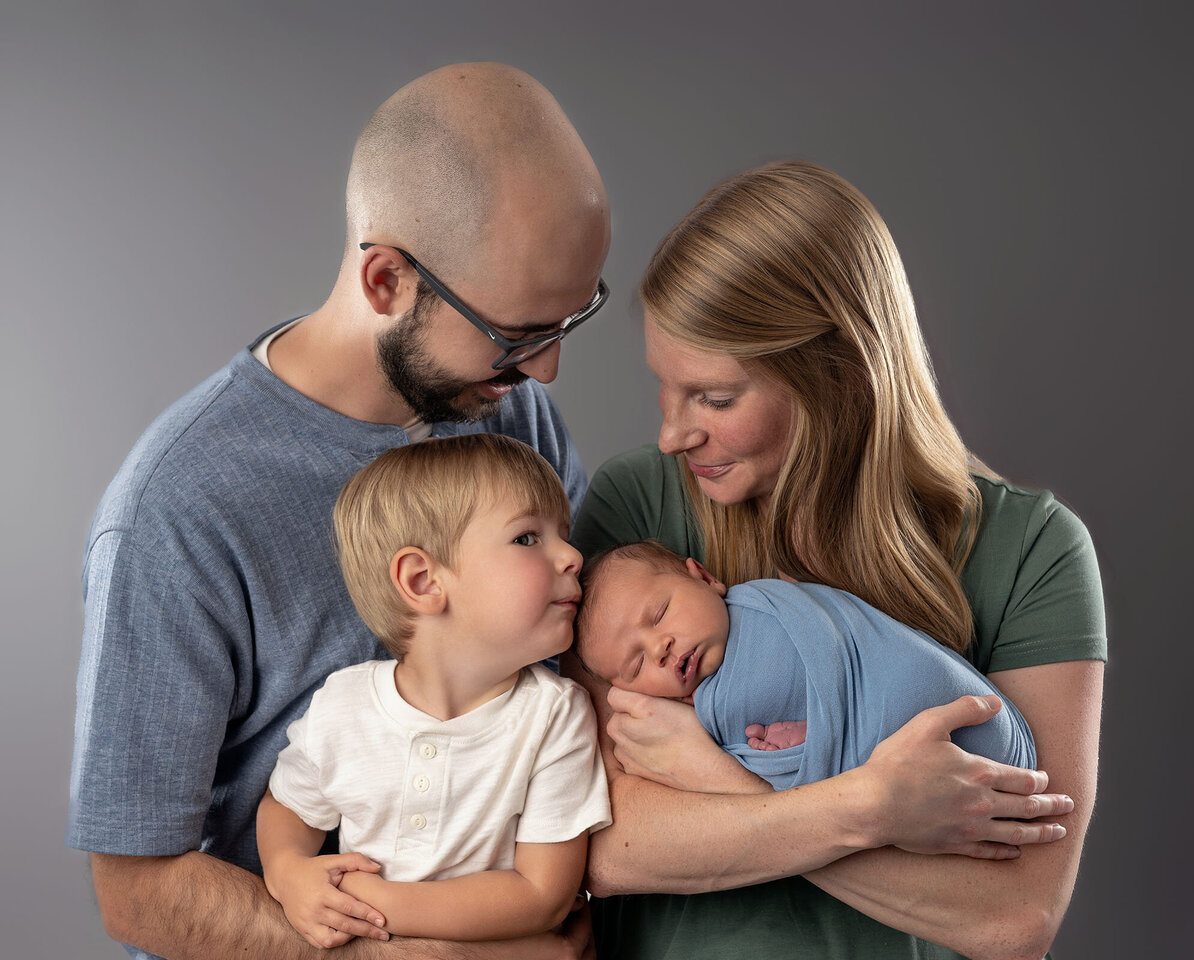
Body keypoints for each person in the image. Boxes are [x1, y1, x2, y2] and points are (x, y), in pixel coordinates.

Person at [69, 62, 610, 960]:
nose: (546, 373)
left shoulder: (509, 410)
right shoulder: (179, 508)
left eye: (569, 322)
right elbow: (137, 890)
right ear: (388, 279)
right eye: (518, 335)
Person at [564, 160, 1105, 960]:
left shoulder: (1033, 552)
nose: (676, 434)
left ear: (840, 375)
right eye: (664, 389)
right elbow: (600, 848)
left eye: (714, 398)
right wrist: (870, 808)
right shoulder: (644, 509)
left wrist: (713, 780)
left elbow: (1011, 918)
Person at [258, 435, 610, 948]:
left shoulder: (554, 716)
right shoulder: (344, 705)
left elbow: (541, 894)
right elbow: (289, 806)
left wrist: (365, 901)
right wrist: (288, 873)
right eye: (529, 538)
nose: (573, 556)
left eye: (564, 534)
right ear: (423, 581)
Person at [572, 539, 1035, 789]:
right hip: (907, 778)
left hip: (940, 701)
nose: (660, 648)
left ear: (705, 578)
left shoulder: (768, 608)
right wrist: (808, 744)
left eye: (659, 615)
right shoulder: (698, 711)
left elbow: (851, 646)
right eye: (635, 666)